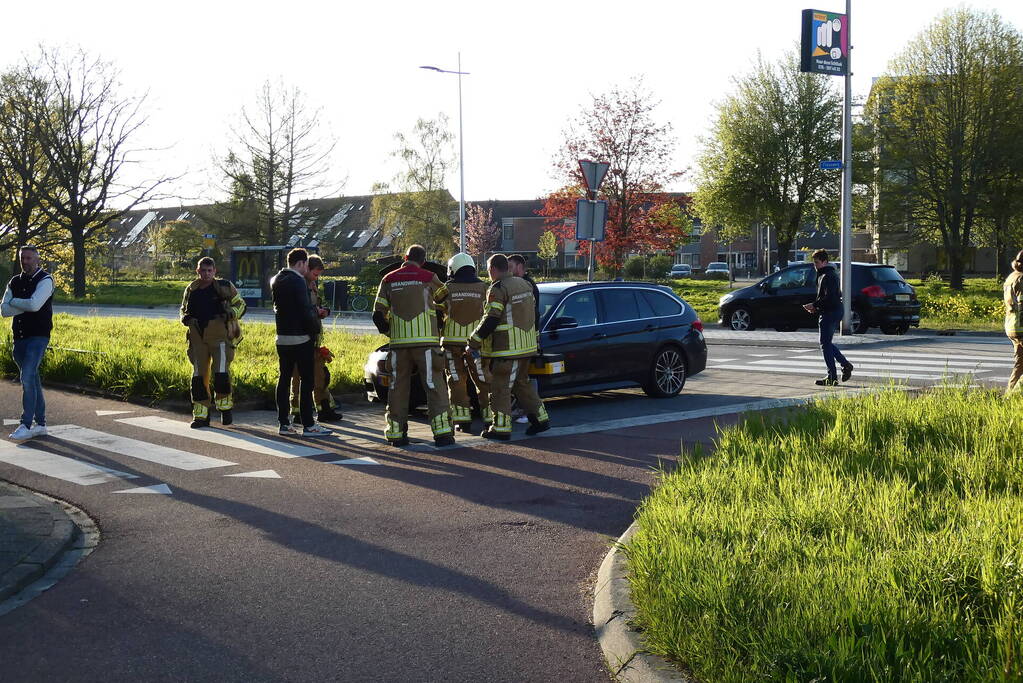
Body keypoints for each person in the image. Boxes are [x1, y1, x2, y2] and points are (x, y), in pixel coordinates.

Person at [372, 244, 454, 447]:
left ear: (405, 257)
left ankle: (396, 434)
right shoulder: (428, 277)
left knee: (397, 388)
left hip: (399, 345)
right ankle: (442, 433)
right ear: (423, 260)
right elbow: (446, 299)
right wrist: (439, 319)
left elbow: (377, 314)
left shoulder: (388, 279)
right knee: (433, 385)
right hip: (426, 343)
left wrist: (391, 332)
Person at [467, 254, 550, 440]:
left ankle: (501, 428)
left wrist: (474, 340)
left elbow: (491, 317)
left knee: (500, 388)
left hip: (508, 348)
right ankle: (540, 419)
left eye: (489, 271)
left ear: (492, 270)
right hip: (526, 347)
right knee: (522, 384)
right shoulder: (525, 284)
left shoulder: (498, 288)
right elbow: (534, 315)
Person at [271, 248, 332, 437]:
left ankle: (284, 423)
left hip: (282, 338)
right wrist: (314, 330)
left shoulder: (276, 280)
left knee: (284, 379)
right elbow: (305, 311)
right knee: (307, 381)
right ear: (301, 263)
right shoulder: (298, 281)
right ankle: (308, 424)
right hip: (301, 338)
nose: (307, 268)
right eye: (306, 264)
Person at [180, 257, 247, 428]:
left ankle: (225, 409)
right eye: (203, 270)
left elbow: (240, 304)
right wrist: (185, 318)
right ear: (198, 271)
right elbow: (183, 309)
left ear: (215, 271)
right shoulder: (191, 288)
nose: (206, 274)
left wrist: (231, 313)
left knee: (221, 374)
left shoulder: (224, 286)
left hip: (220, 336)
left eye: (210, 270)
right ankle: (201, 416)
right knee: (198, 377)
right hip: (197, 337)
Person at [1, 246, 53, 440]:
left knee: (27, 377)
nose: (26, 261)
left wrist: (15, 302)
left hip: (38, 337)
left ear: (37, 260)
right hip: (19, 338)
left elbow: (35, 304)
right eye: (23, 258)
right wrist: (25, 304)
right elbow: (3, 310)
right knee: (32, 380)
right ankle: (41, 424)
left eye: (29, 258)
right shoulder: (14, 281)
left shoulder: (46, 280)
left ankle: (25, 423)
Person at [435, 252, 489, 433]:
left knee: (456, 381)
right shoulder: (484, 288)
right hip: (477, 344)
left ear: (452, 269)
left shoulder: (446, 288)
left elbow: (436, 311)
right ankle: (490, 418)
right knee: (483, 379)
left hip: (451, 343)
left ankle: (462, 421)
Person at [289, 255, 342, 423]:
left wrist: (322, 311)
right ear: (306, 269)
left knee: (320, 375)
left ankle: (324, 409)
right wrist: (315, 312)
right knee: (297, 376)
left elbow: (313, 307)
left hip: (313, 337)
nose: (316, 278)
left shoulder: (311, 286)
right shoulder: (298, 286)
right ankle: (297, 412)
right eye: (315, 274)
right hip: (299, 338)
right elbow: (300, 310)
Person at [803, 249, 853, 387]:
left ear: (825, 261)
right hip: (832, 310)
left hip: (831, 312)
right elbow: (827, 297)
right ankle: (845, 365)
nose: (815, 265)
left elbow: (830, 297)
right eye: (814, 263)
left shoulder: (828, 276)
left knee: (825, 344)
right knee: (827, 343)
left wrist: (814, 304)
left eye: (817, 262)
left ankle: (832, 376)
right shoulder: (825, 274)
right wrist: (816, 307)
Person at [507, 253, 542, 423]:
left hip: (525, 339)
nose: (509, 271)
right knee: (520, 379)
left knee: (524, 379)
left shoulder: (528, 286)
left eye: (511, 267)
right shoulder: (519, 285)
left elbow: (532, 314)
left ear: (520, 267)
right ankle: (526, 411)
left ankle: (525, 411)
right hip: (520, 339)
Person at [1002, 250, 1023, 395]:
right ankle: (1016, 395)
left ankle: (1010, 395)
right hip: (1021, 325)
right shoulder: (1022, 279)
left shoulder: (1011, 277)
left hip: (1011, 324)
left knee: (1020, 364)